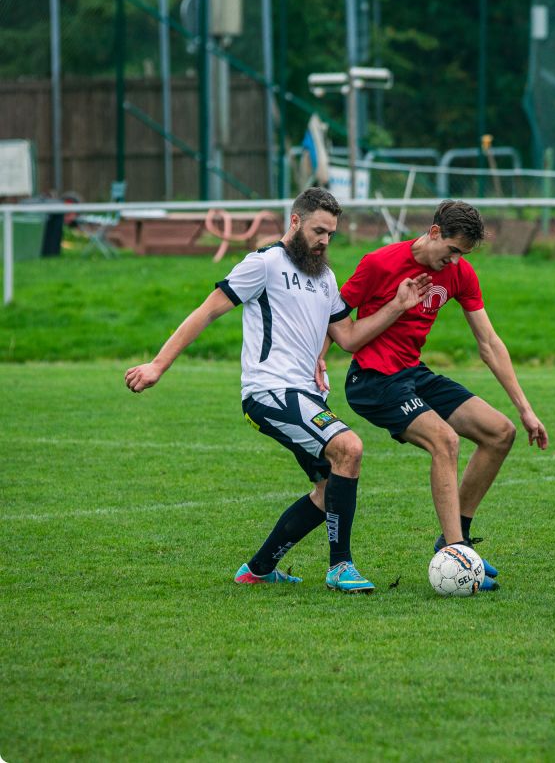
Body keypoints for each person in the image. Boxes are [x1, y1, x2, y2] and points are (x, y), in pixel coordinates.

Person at [124, 187, 431, 593]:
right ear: (295, 222)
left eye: (331, 234)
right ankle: (341, 567)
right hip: (270, 392)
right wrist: (157, 365)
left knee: (329, 490)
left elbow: (350, 337)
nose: (324, 241)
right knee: (349, 448)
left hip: (305, 395)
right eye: (319, 231)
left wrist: (396, 306)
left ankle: (258, 568)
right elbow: (206, 311)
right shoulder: (263, 264)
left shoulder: (325, 278)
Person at [330, 199, 549, 592]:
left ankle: (454, 537)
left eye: (462, 255)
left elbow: (489, 343)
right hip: (373, 379)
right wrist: (315, 362)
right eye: (451, 251)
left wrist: (526, 409)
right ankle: (458, 553)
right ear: (434, 232)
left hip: (412, 373)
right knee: (444, 440)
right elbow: (333, 316)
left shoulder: (461, 273)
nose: (454, 262)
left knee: (500, 432)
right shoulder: (380, 263)